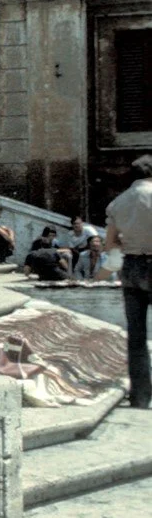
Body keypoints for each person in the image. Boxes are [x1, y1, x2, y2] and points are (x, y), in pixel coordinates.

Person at [106, 154, 152, 409]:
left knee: (136, 337)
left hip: (132, 266)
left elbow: (110, 243)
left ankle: (141, 397)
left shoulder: (117, 203)